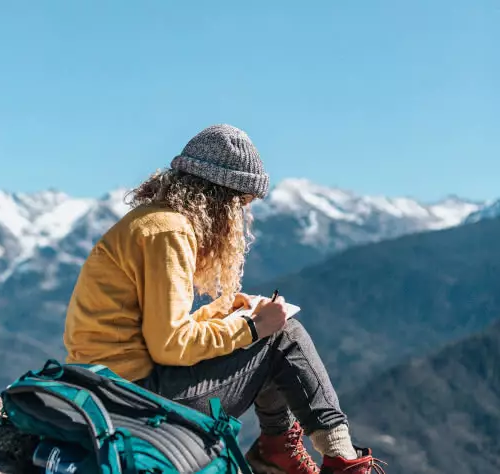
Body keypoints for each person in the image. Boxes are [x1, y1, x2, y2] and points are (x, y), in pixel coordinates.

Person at [63, 124, 385, 474]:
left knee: (271, 334)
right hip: (133, 401)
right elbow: (169, 345)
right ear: (221, 198)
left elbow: (150, 330)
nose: (242, 217)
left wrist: (223, 313)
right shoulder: (170, 232)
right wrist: (252, 328)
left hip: (107, 388)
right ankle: (342, 460)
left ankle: (281, 452)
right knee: (283, 335)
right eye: (242, 205)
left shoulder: (150, 222)